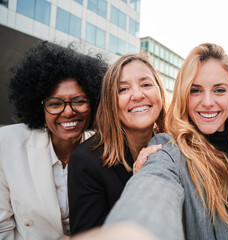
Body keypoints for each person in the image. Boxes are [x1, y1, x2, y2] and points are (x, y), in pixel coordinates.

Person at [102, 43, 228, 240]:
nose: (207, 101)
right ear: (184, 96)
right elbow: (152, 191)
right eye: (195, 90)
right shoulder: (168, 150)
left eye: (219, 90)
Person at [0, 41, 107, 239]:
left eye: (79, 101)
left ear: (94, 103)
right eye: (55, 104)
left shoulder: (105, 149)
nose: (68, 112)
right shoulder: (7, 143)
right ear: (39, 107)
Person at [68, 53, 167, 234]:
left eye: (146, 84)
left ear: (160, 92)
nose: (137, 95)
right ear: (110, 101)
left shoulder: (172, 146)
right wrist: (138, 184)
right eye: (123, 89)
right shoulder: (85, 161)